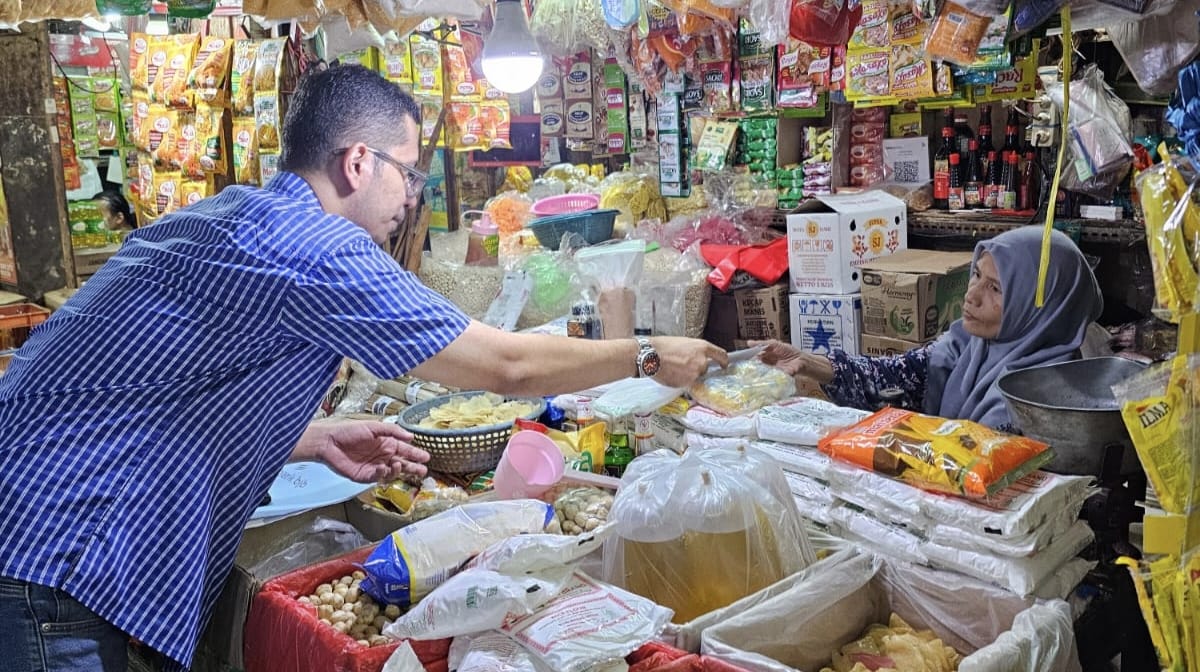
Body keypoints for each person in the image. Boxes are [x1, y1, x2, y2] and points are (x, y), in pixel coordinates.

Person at [0, 64, 726, 672]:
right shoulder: (311, 244)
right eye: (409, 175)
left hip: (34, 533)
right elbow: (502, 364)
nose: (411, 199)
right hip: (59, 556)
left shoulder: (235, 214)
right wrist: (649, 354)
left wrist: (310, 436)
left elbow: (164, 387)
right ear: (357, 162)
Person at [757, 227, 1103, 431]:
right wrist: (810, 363)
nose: (972, 294)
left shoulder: (1048, 399)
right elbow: (896, 374)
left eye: (996, 289)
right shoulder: (967, 345)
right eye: (977, 276)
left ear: (1039, 309)